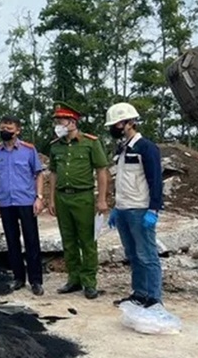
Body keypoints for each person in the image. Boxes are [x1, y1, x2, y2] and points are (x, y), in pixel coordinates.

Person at [104, 102, 165, 308]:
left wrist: (153, 209)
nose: (114, 128)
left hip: (140, 210)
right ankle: (139, 293)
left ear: (130, 122)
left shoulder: (146, 148)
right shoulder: (122, 149)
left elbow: (155, 180)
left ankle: (154, 298)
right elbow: (122, 181)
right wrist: (116, 207)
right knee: (132, 255)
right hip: (123, 210)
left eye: (117, 123)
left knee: (146, 255)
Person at [48, 102, 109, 299]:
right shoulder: (55, 146)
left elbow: (101, 171)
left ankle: (89, 282)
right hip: (62, 196)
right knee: (68, 240)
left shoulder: (90, 142)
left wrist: (101, 199)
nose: (58, 124)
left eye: (61, 120)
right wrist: (51, 199)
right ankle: (73, 279)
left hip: (83, 196)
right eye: (56, 121)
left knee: (87, 240)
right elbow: (54, 173)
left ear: (72, 122)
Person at [0, 115, 45, 295]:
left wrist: (39, 197)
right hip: (6, 202)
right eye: (2, 128)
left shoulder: (28, 150)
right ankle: (18, 278)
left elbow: (38, 173)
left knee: (32, 240)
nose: (5, 132)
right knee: (12, 241)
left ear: (17, 131)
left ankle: (36, 281)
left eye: (9, 129)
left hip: (26, 201)